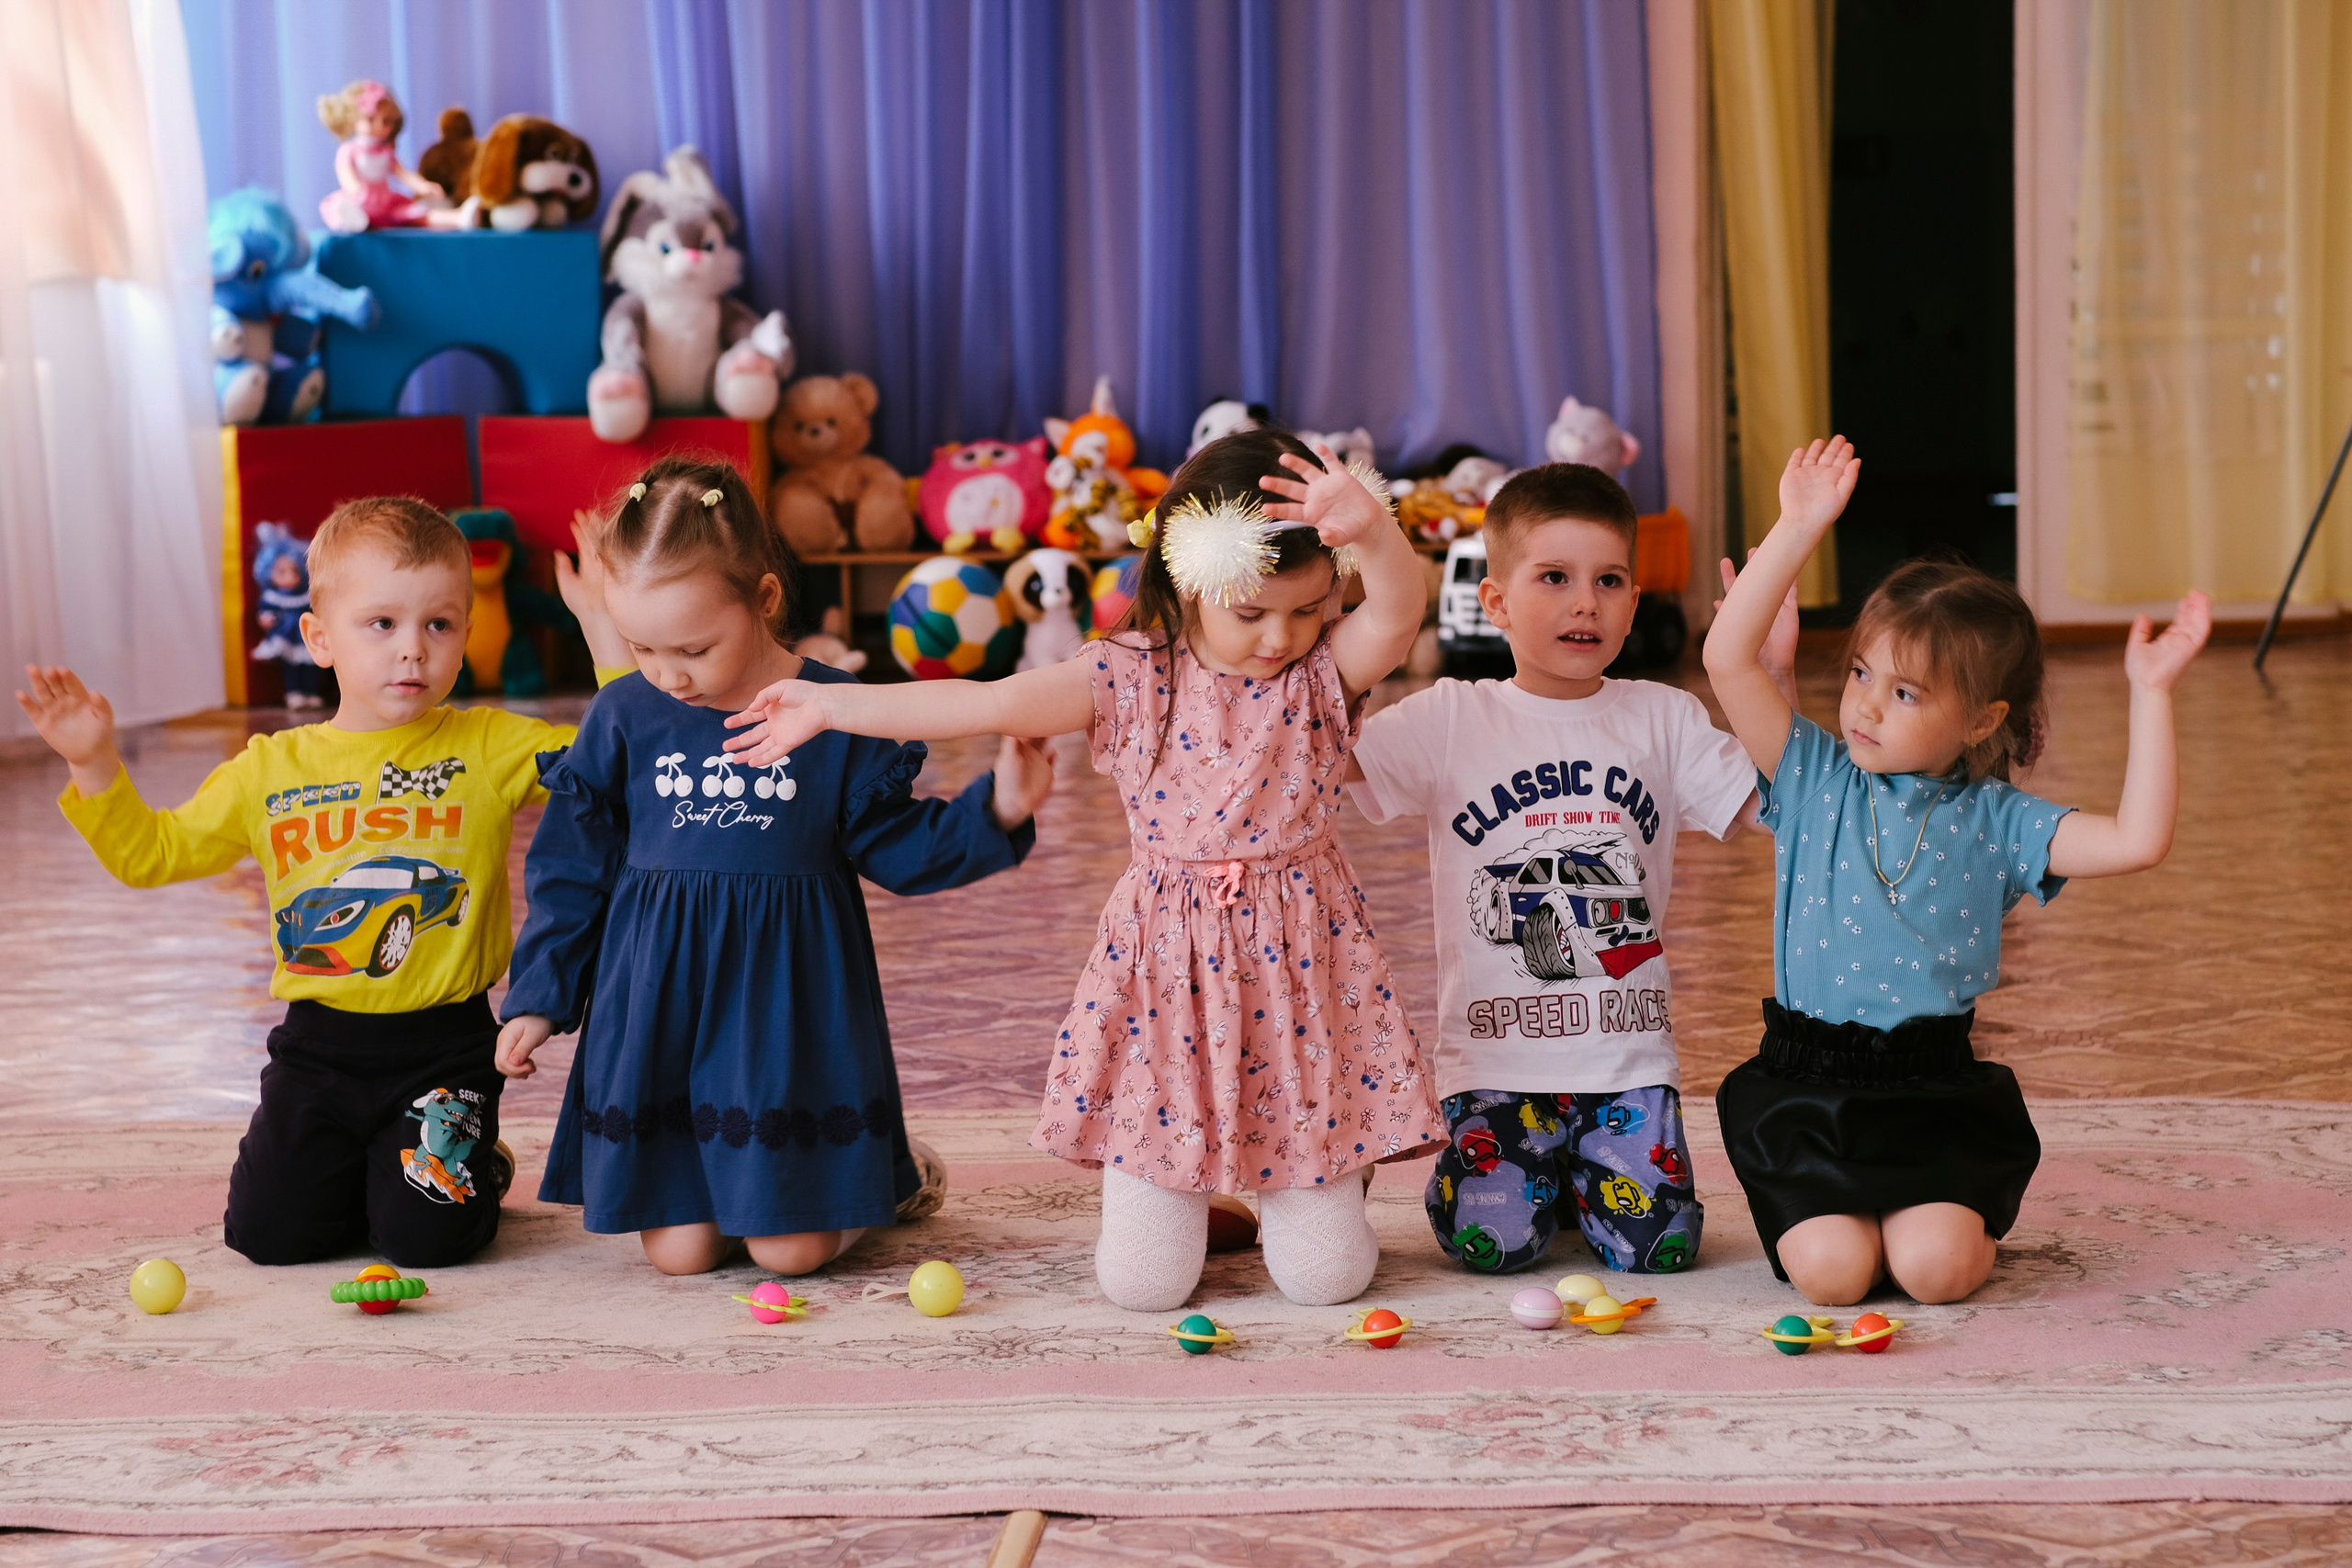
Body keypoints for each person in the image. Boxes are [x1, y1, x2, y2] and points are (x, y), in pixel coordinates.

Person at [722, 430, 1445, 1310]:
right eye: (1251, 612)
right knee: (1143, 1287)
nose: (1279, 636)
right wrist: (832, 704)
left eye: (1303, 610)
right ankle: (1198, 1188)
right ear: (1187, 581)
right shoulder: (1129, 676)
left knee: (1330, 1281)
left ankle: (1301, 1178)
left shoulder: (1319, 675)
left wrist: (1373, 535)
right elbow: (980, 702)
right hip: (1170, 979)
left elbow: (1399, 612)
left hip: (1297, 970)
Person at [15, 497, 627, 1268]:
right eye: (382, 624)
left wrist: (606, 632)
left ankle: (477, 1161)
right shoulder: (269, 771)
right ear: (319, 637)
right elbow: (153, 854)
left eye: (438, 625)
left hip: (445, 1047)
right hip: (318, 1049)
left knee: (425, 1241)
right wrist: (94, 764)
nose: (412, 650)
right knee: (269, 1236)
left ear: (466, 638)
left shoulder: (489, 745)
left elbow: (614, 764)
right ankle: (376, 1165)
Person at [495, 457, 1053, 1278]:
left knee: (788, 1253)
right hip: (661, 1006)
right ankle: (749, 1186)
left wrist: (999, 808)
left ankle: (883, 1182)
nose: (667, 673)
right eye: (640, 646)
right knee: (682, 1256)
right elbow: (572, 871)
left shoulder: (835, 708)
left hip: (785, 1011)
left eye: (693, 647)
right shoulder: (623, 714)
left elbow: (898, 847)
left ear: (761, 599)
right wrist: (540, 999)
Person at [1704, 436, 2212, 1305]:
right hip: (1809, 1088)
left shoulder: (2001, 822)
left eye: (1905, 693)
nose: (1865, 704)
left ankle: (1937, 1224)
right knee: (1833, 1277)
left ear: (1982, 721)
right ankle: (1842, 1217)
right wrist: (1796, 527)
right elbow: (1726, 658)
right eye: (1862, 672)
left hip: (1932, 1095)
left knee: (1933, 1275)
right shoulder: (1812, 773)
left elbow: (2136, 840)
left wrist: (2151, 693)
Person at [1349, 464, 1786, 1279]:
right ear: (1498, 602)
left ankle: (1586, 1185)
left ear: (1633, 601)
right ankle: (1514, 1184)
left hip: (1626, 1062)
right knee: (1495, 1247)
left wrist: (1770, 676)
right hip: (1494, 1066)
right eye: (1554, 577)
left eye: (1609, 580)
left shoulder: (1664, 717)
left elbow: (1785, 805)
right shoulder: (1451, 717)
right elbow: (1322, 760)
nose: (1585, 600)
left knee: (1660, 1250)